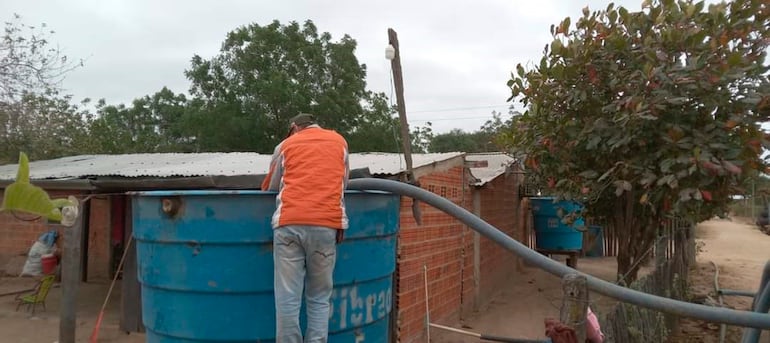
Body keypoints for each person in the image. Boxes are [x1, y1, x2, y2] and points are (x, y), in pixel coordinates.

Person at [261, 113, 349, 343]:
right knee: (319, 297)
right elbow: (343, 183)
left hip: (289, 223)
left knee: (288, 298)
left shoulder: (286, 144)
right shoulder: (339, 142)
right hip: (326, 225)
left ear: (294, 127)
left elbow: (270, 185)